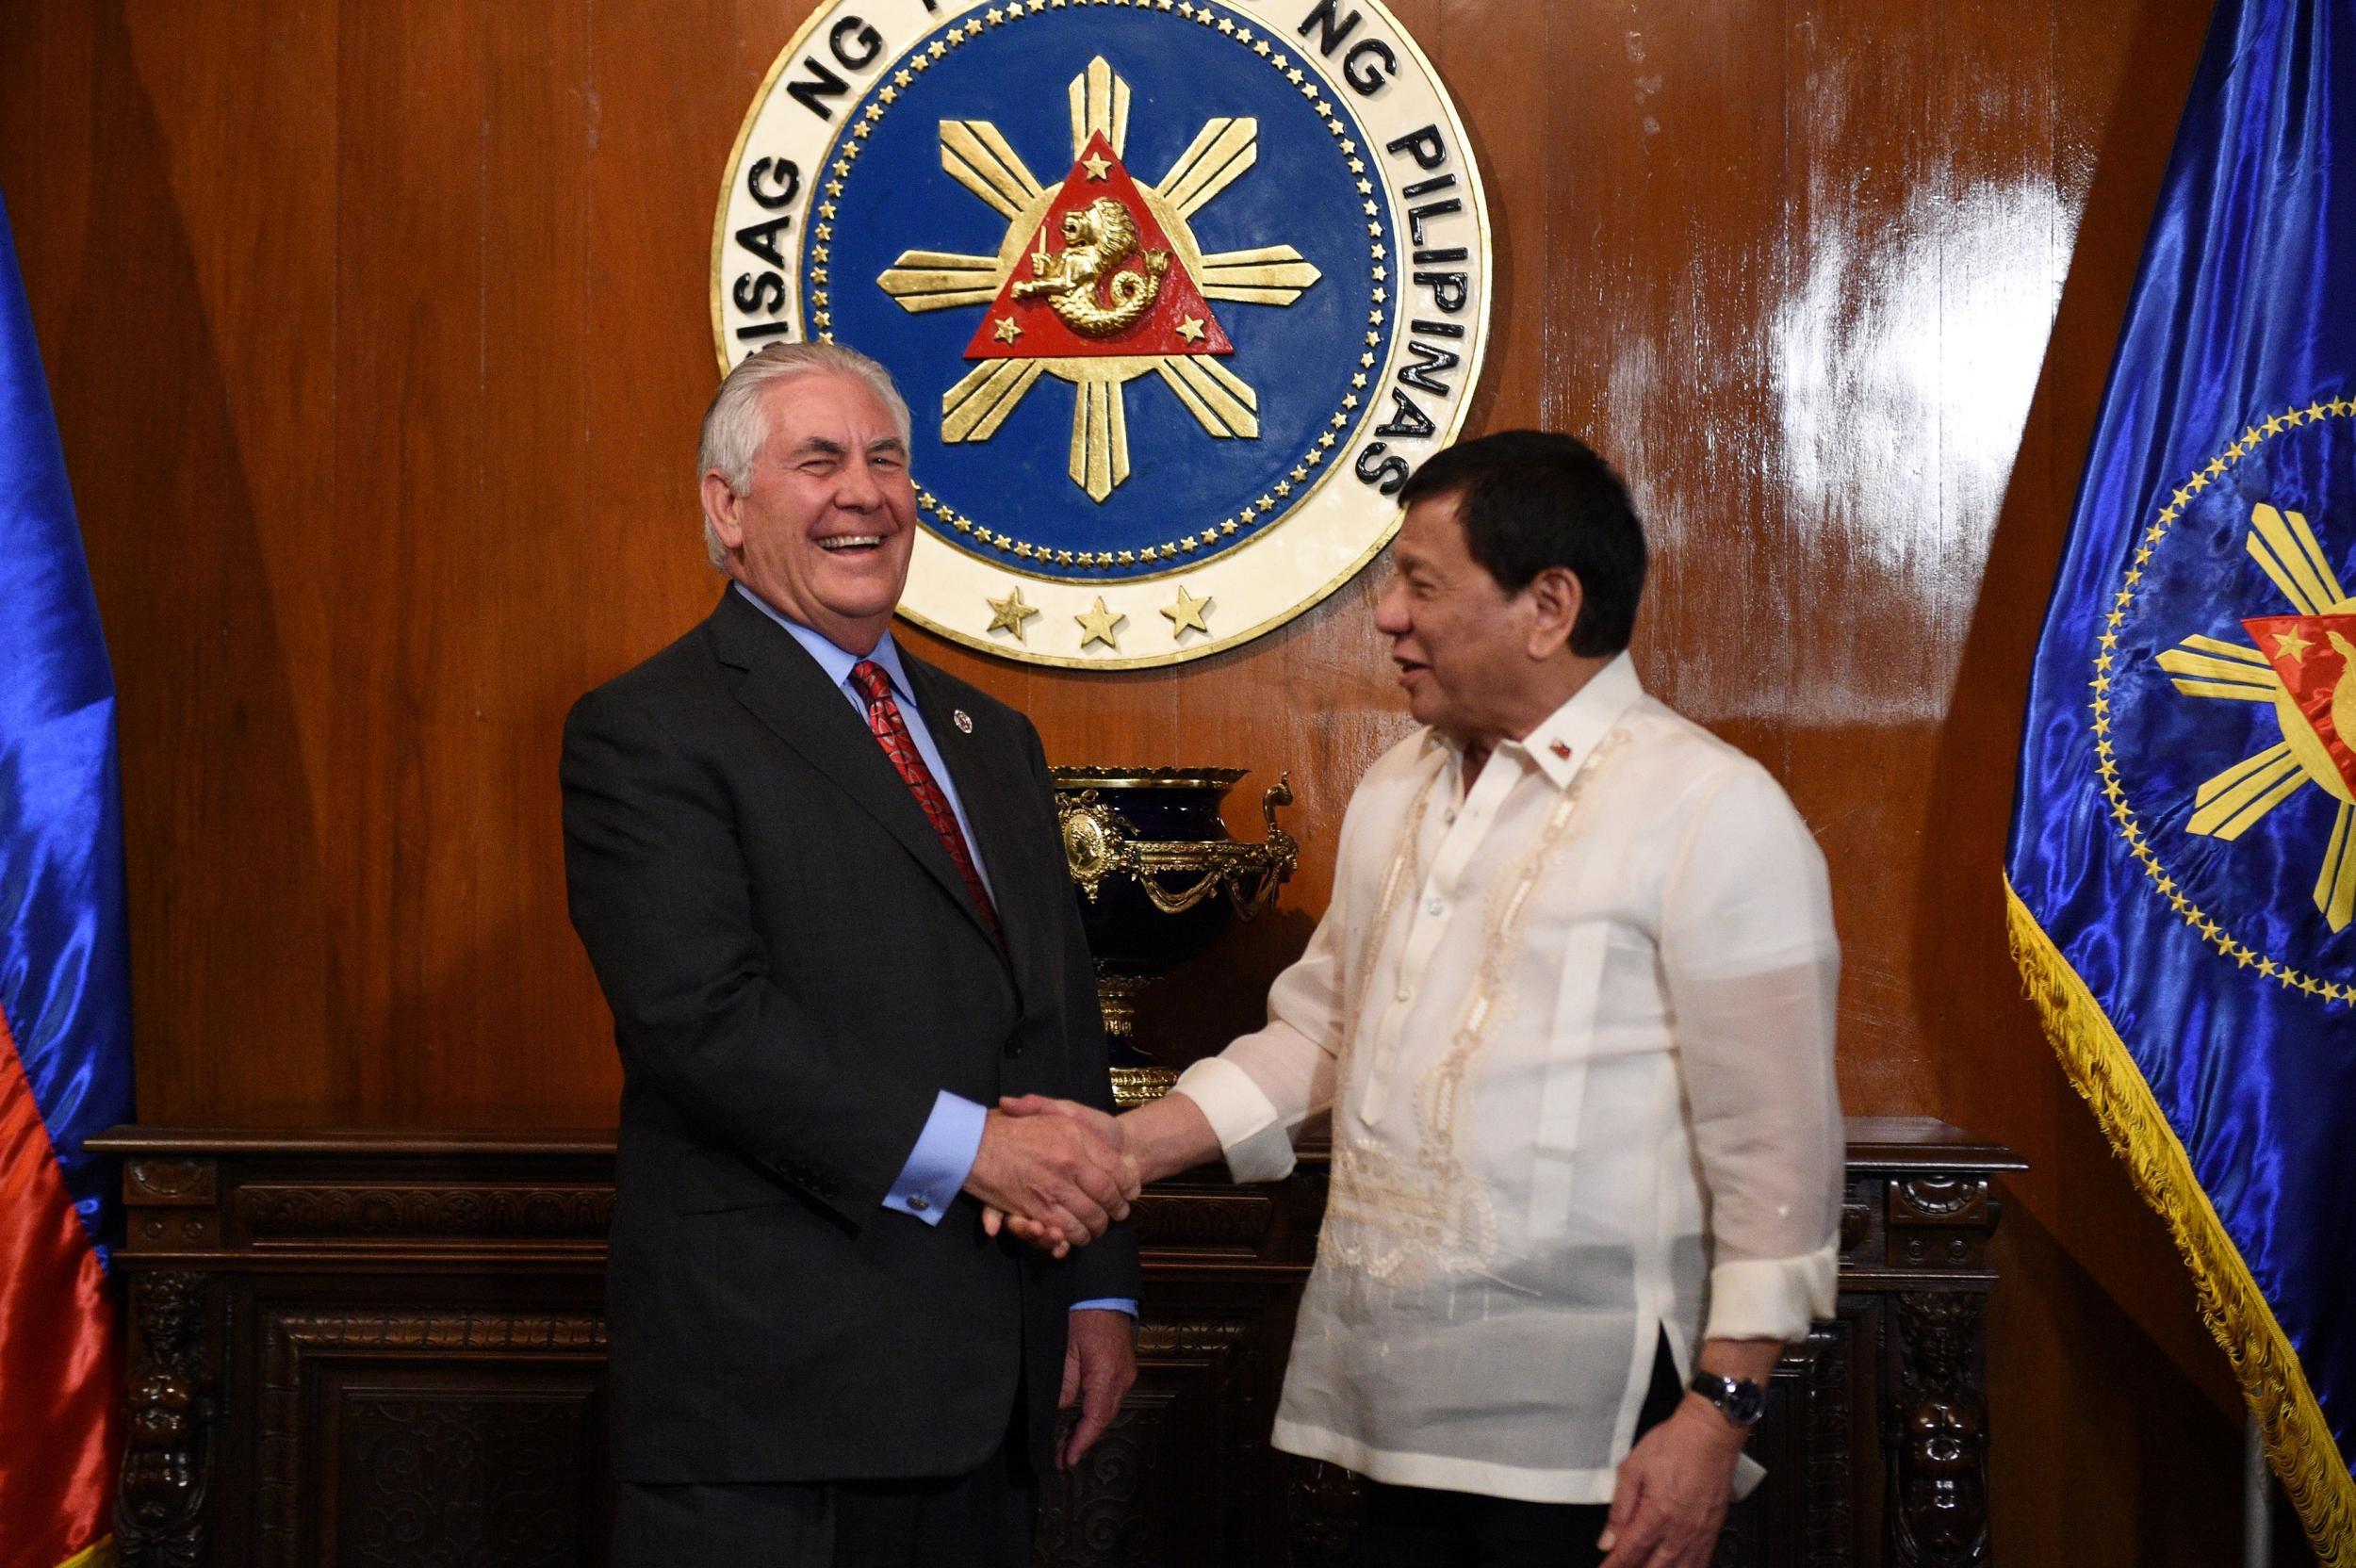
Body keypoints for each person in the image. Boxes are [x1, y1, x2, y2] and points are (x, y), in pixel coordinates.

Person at [1004, 430, 1843, 1568]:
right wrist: (1118, 1150)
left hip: (1598, 1436)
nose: (1387, 615)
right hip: (1386, 1415)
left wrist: (1715, 1416)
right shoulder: (1397, 786)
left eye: (1420, 582)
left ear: (1548, 605)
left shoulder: (1710, 809)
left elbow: (1779, 1159)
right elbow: (1319, 1030)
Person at [561, 340, 1140, 1568]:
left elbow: (1056, 1022)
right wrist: (975, 1150)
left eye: (885, 460)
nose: (863, 493)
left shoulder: (994, 736)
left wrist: (1096, 1287)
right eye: (817, 461)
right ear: (726, 506)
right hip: (775, 1408)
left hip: (993, 1396)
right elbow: (701, 1023)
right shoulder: (648, 731)